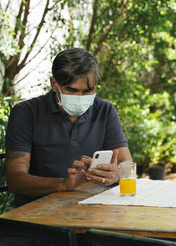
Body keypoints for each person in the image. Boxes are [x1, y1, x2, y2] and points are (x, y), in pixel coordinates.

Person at [5, 48, 133, 207]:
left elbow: (126, 162)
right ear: (54, 84)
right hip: (39, 217)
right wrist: (62, 184)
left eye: (88, 91)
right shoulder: (26, 113)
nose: (80, 98)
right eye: (72, 90)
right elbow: (15, 179)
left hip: (94, 209)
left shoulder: (104, 111)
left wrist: (116, 174)